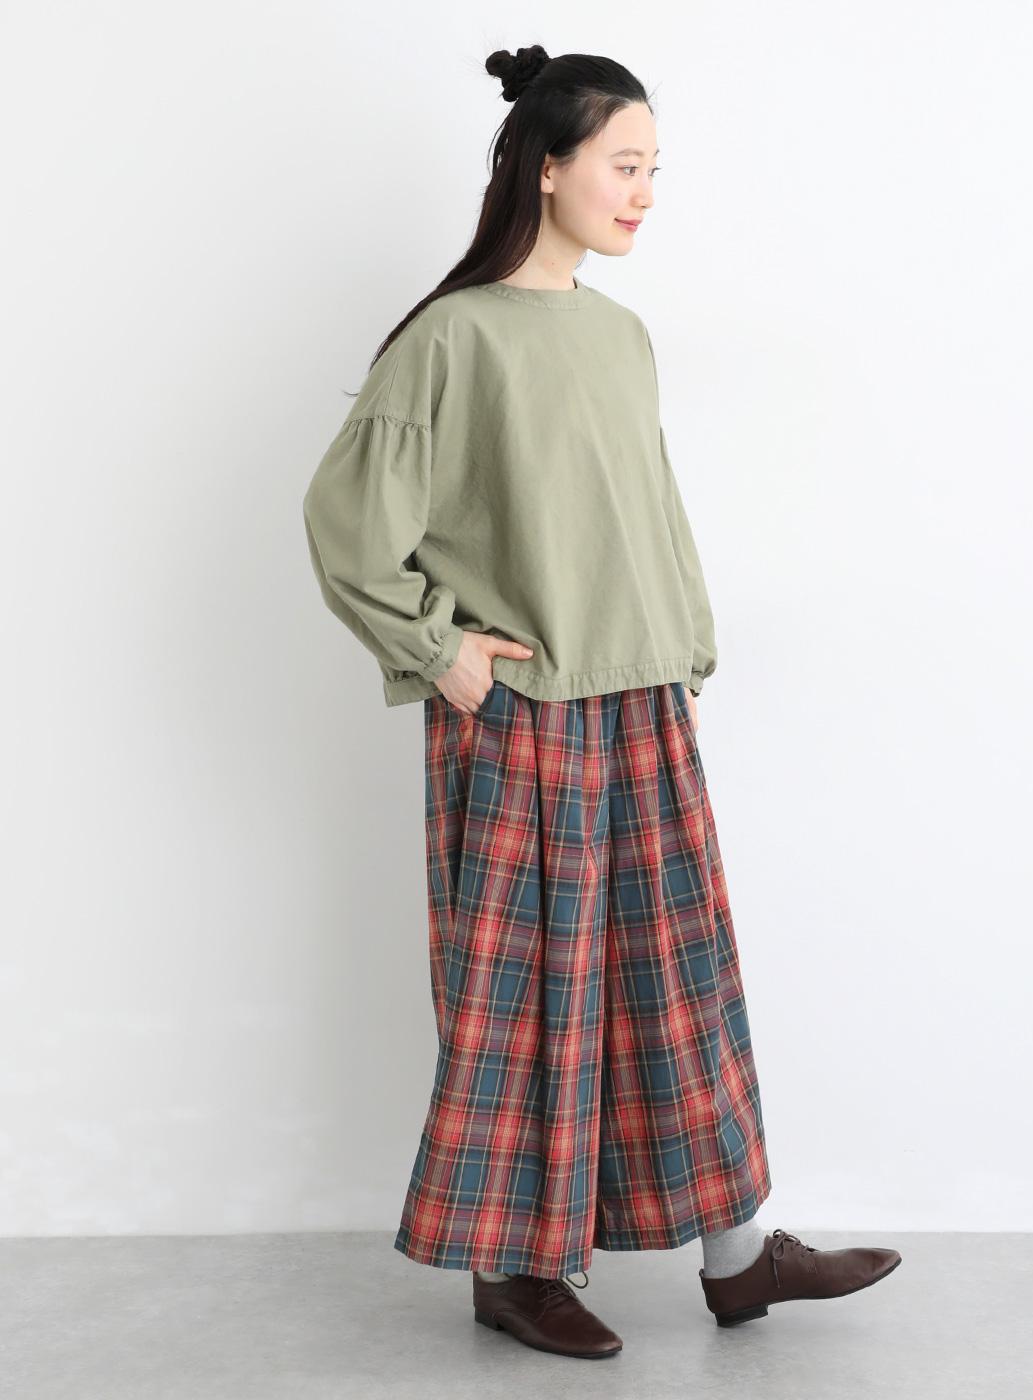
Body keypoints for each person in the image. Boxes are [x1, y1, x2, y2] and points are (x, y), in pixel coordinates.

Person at [302, 43, 902, 1361]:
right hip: (525, 711)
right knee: (529, 995)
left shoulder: (620, 335)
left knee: (679, 982)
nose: (644, 193)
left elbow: (644, 509)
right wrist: (444, 653)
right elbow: (348, 523)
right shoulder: (452, 338)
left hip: (639, 702)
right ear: (547, 166)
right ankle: (517, 1271)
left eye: (653, 170)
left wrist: (683, 642)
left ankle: (739, 1255)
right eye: (624, 166)